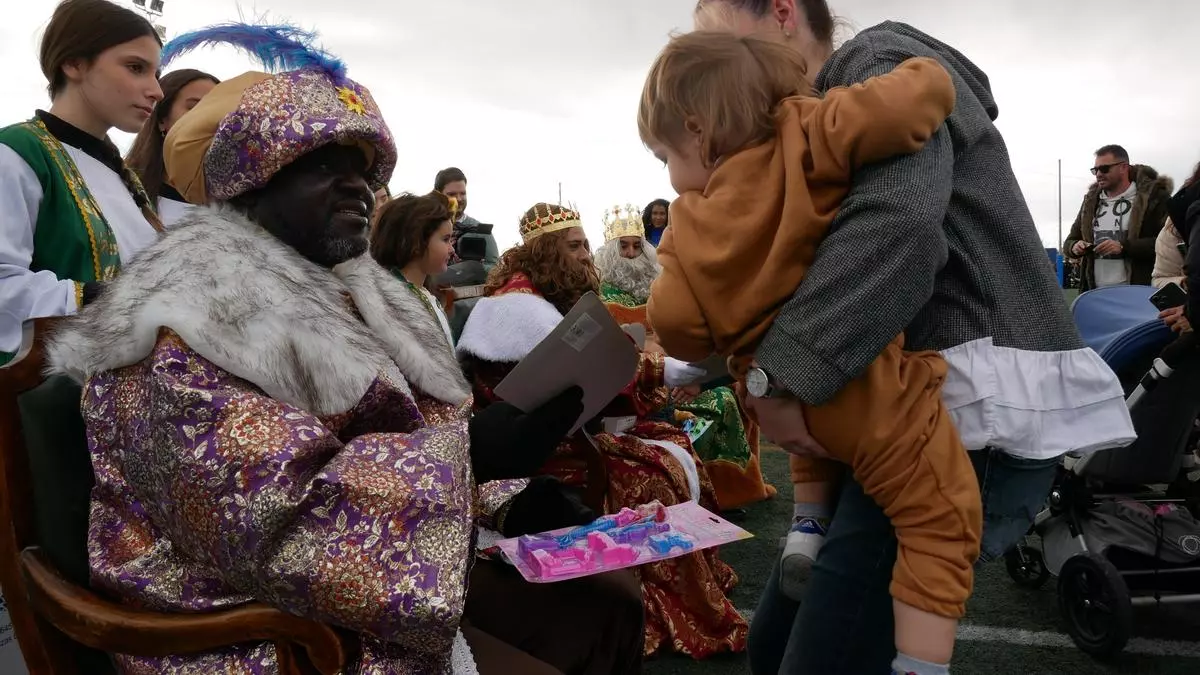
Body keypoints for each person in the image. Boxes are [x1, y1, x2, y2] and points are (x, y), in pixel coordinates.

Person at [44, 23, 645, 675]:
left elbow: (415, 427)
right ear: (252, 183)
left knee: (606, 602)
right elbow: (269, 515)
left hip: (358, 582)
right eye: (325, 166)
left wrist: (508, 490)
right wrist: (469, 457)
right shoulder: (181, 318)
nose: (360, 188)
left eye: (364, 172)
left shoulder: (344, 295)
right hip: (248, 626)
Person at [691, 2, 1134, 674]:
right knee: (776, 643)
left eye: (713, 41)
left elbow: (900, 230)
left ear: (782, 12)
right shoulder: (809, 118)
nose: (708, 68)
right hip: (900, 403)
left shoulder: (876, 66)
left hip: (964, 408)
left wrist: (775, 378)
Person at [642, 30, 983, 669]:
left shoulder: (686, 223)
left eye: (664, 151)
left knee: (812, 451)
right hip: (867, 384)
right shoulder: (808, 131)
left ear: (698, 130)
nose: (668, 170)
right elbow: (907, 105)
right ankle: (921, 662)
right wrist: (925, 76)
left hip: (777, 398)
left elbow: (681, 325)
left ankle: (807, 527)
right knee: (935, 515)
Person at [457, 203, 748, 658]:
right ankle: (653, 613)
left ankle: (692, 589)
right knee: (653, 477)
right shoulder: (517, 312)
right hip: (543, 456)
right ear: (547, 251)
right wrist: (656, 373)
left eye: (585, 244)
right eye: (573, 246)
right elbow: (553, 393)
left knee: (673, 447)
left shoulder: (548, 296)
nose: (585, 255)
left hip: (568, 436)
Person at [0, 0, 164, 366]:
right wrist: (100, 297)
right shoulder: (17, 152)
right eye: (136, 67)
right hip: (52, 402)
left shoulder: (127, 179)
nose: (156, 90)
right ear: (73, 63)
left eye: (156, 73)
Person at [595, 203, 774, 510]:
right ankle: (692, 492)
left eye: (637, 246)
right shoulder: (600, 293)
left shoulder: (659, 285)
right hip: (638, 383)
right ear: (611, 250)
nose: (631, 253)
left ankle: (725, 490)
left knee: (723, 397)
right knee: (707, 402)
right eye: (623, 246)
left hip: (677, 370)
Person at [1063, 144, 1172, 290]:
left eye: (1104, 169)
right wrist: (1075, 247)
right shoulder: (1090, 201)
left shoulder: (1154, 198)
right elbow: (1070, 241)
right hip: (1094, 292)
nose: (1098, 174)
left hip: (1138, 291)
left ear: (1124, 168)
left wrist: (1123, 246)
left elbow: (1167, 244)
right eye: (1095, 170)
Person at [125, 68, 219, 226]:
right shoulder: (124, 190)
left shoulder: (241, 208)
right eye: (194, 107)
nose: (210, 119)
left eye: (218, 111)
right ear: (162, 119)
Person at [370, 190, 457, 346]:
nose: (452, 249)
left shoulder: (423, 294)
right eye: (445, 239)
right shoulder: (393, 302)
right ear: (416, 243)